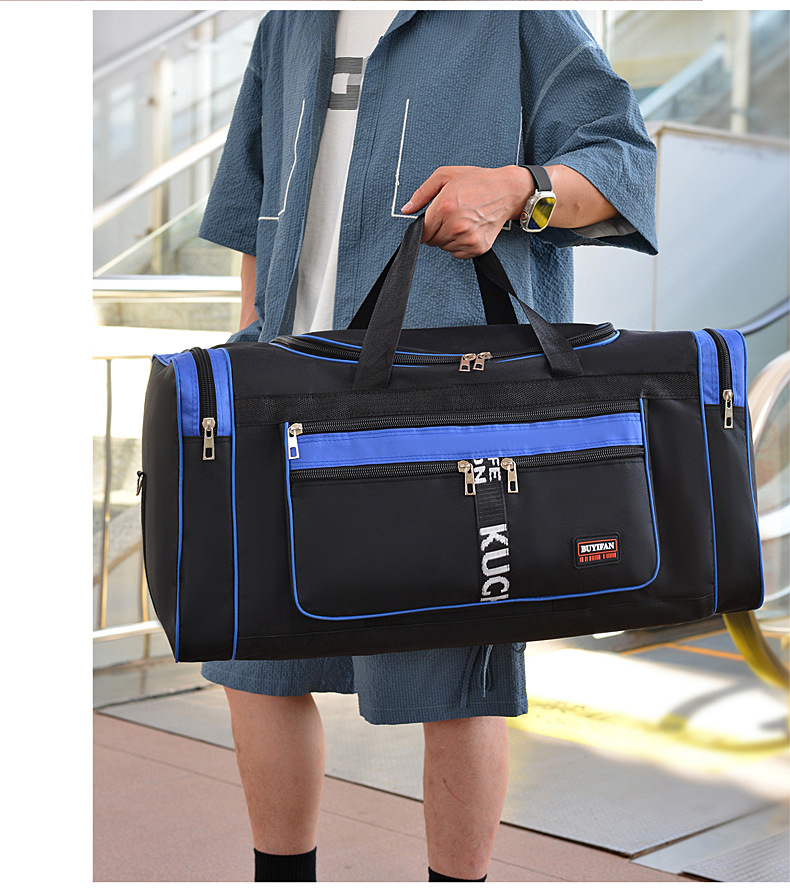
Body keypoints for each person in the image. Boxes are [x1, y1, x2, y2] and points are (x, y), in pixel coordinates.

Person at [198, 9, 657, 883]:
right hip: (285, 387)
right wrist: (249, 354)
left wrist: (519, 190)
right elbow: (254, 212)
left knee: (457, 670)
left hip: (449, 397)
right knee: (256, 659)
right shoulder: (288, 22)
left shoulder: (513, 15)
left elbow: (623, 162)